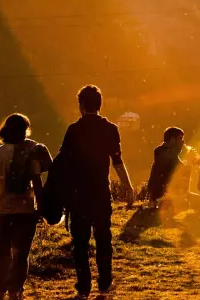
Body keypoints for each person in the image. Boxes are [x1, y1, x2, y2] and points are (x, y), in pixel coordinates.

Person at [58, 85, 134, 299]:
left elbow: (63, 161)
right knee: (103, 238)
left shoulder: (74, 130)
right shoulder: (110, 128)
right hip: (101, 193)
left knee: (80, 242)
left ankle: (83, 287)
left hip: (78, 194)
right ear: (100, 105)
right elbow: (117, 161)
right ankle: (104, 283)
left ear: (80, 106)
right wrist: (128, 187)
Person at [0, 113, 46, 300]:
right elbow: (37, 181)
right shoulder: (30, 153)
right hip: (26, 211)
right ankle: (15, 291)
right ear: (24, 131)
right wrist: (41, 207)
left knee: (2, 251)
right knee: (21, 253)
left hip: (1, 210)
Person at [147, 127, 198, 215]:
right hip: (164, 194)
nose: (183, 142)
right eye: (180, 138)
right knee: (197, 202)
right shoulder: (166, 152)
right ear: (172, 140)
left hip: (162, 193)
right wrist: (190, 163)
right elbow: (180, 171)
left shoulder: (165, 151)